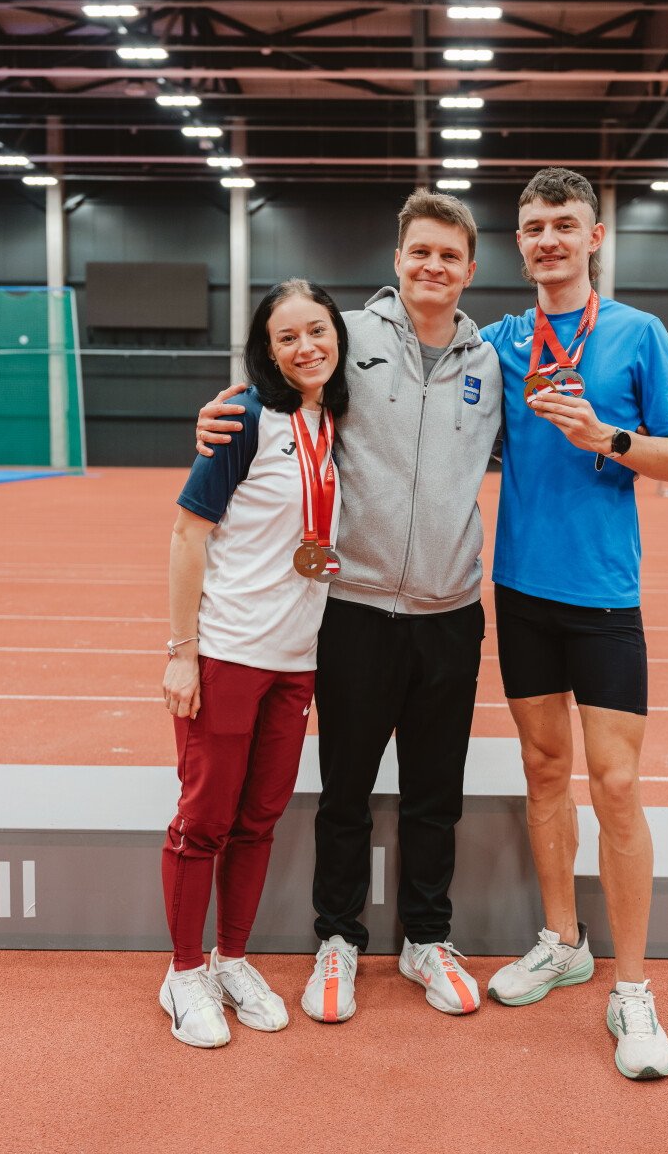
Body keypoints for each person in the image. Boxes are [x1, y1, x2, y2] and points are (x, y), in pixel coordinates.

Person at [194, 191, 502, 1022]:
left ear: (471, 269)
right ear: (397, 260)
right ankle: (337, 938)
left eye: (450, 255)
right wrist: (220, 416)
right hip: (355, 609)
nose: (434, 265)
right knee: (346, 792)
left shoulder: (492, 363)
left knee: (436, 793)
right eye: (420, 251)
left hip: (450, 612)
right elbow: (278, 374)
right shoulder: (349, 337)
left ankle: (427, 938)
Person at [481, 167, 668, 1080]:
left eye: (564, 225)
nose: (548, 240)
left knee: (614, 785)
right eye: (534, 226)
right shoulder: (498, 341)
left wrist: (607, 437)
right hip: (521, 591)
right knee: (543, 771)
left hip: (606, 595)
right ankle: (563, 941)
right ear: (520, 242)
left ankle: (633, 988)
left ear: (594, 236)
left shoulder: (638, 334)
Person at [159, 279, 349, 1048]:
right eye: (287, 337)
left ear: (339, 334)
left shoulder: (338, 419)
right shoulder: (242, 417)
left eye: (318, 330)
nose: (306, 347)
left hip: (296, 662)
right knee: (203, 821)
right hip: (228, 654)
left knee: (258, 820)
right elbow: (187, 534)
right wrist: (182, 654)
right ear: (265, 351)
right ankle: (182, 974)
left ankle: (231, 959)